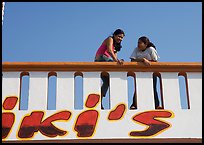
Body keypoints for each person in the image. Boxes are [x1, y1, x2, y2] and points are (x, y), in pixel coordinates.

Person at [95, 29, 125, 109]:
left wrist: (117, 61)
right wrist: (117, 61)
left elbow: (115, 56)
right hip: (101, 58)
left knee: (107, 82)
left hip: (107, 60)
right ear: (114, 35)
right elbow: (109, 50)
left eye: (122, 38)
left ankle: (99, 101)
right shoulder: (110, 39)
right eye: (119, 36)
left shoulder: (116, 45)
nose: (120, 39)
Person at [129, 36, 162, 109]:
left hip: (151, 72)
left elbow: (155, 61)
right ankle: (134, 104)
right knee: (137, 88)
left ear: (145, 44)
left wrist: (147, 62)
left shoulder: (151, 49)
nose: (138, 44)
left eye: (140, 43)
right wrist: (143, 60)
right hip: (140, 72)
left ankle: (157, 105)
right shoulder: (136, 49)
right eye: (138, 42)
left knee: (153, 88)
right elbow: (132, 60)